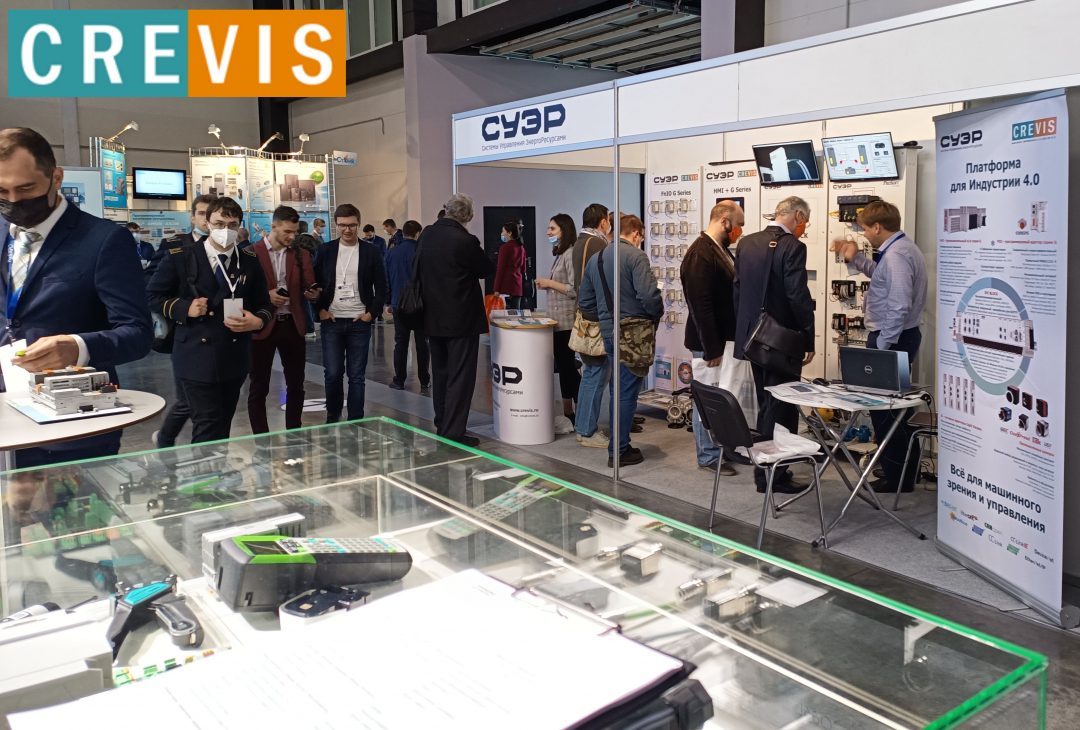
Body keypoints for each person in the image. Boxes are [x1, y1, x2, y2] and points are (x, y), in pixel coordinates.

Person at [0, 127, 153, 468]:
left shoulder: (103, 241)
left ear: (56, 178)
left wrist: (77, 346)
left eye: (25, 189)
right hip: (5, 420)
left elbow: (138, 334)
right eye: (1, 191)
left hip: (72, 426)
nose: (13, 201)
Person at [146, 196, 272, 443]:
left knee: (223, 423)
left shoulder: (249, 260)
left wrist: (257, 321)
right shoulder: (182, 256)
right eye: (219, 224)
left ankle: (217, 466)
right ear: (208, 223)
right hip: (195, 354)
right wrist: (185, 307)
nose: (226, 230)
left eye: (232, 225)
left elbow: (264, 303)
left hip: (234, 355)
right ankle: (203, 468)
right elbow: (152, 295)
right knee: (207, 424)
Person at [830, 200, 928, 493]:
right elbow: (882, 278)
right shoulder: (900, 250)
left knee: (886, 411)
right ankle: (901, 472)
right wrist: (857, 259)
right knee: (892, 410)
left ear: (877, 227)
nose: (863, 234)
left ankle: (897, 477)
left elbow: (898, 305)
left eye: (864, 229)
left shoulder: (897, 255)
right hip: (895, 337)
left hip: (892, 339)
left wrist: (882, 347)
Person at [733, 196, 816, 494]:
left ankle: (765, 471)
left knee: (766, 404)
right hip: (782, 342)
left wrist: (744, 333)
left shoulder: (747, 243)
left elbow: (738, 291)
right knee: (781, 407)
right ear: (797, 216)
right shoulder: (792, 246)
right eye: (805, 222)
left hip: (753, 340)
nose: (804, 228)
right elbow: (797, 296)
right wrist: (808, 337)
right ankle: (773, 475)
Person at [578, 215, 662, 467]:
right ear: (636, 233)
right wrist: (655, 314)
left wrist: (605, 319)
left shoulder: (596, 259)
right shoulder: (636, 257)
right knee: (625, 393)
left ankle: (619, 447)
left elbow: (585, 302)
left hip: (608, 332)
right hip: (634, 333)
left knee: (617, 390)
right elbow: (649, 296)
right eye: (641, 236)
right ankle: (619, 450)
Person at [416, 194, 494, 447]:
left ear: (446, 210)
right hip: (461, 319)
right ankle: (454, 431)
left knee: (440, 374)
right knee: (460, 377)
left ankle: (443, 423)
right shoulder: (465, 240)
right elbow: (485, 269)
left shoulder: (427, 234)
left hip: (431, 316)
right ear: (468, 215)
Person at [681, 200, 750, 477]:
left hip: (723, 341)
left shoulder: (719, 250)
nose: (740, 230)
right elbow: (700, 305)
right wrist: (711, 347)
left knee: (722, 400)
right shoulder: (700, 253)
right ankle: (708, 455)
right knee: (706, 401)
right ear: (724, 221)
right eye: (739, 224)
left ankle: (724, 448)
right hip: (709, 344)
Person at [247, 206, 319, 434]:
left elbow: (309, 283)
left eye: (295, 232)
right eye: (287, 231)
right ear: (273, 226)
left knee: (296, 384)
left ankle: (294, 432)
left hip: (292, 324)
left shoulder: (300, 254)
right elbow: (242, 291)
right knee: (259, 386)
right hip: (261, 325)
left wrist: (313, 293)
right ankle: (261, 437)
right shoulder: (251, 253)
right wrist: (266, 295)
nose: (292, 237)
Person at [150, 193, 214, 448]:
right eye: (202, 214)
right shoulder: (174, 246)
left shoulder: (231, 249)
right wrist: (184, 307)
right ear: (192, 216)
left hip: (218, 334)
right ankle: (165, 439)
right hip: (184, 333)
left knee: (213, 398)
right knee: (188, 399)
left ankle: (208, 452)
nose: (207, 220)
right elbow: (151, 287)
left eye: (211, 215)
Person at [314, 204, 387, 422]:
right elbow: (314, 283)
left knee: (357, 376)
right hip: (332, 321)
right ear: (336, 225)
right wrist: (319, 310)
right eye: (343, 225)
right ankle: (332, 416)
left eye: (352, 225)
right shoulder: (325, 250)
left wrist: (371, 314)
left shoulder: (371, 251)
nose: (347, 230)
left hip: (359, 322)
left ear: (358, 224)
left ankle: (355, 419)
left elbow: (382, 286)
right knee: (333, 373)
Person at [572, 203, 612, 449]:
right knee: (596, 374)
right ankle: (587, 430)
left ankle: (583, 427)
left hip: (586, 316)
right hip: (596, 319)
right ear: (602, 221)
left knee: (591, 374)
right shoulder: (596, 244)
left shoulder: (581, 242)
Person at [534, 213, 580, 424]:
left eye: (552, 228)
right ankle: (569, 411)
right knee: (564, 367)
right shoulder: (560, 255)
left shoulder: (570, 254)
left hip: (566, 322)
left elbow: (573, 289)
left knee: (567, 368)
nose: (548, 232)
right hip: (557, 322)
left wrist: (549, 283)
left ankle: (578, 409)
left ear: (564, 230)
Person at [385, 220, 430, 394]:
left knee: (400, 343)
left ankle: (399, 380)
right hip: (420, 305)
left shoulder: (392, 253)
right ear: (418, 233)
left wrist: (389, 302)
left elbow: (387, 279)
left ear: (403, 233)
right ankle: (424, 380)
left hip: (399, 304)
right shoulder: (422, 252)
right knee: (422, 344)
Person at [493, 220, 527, 310]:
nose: (502, 234)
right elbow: (523, 269)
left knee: (505, 316)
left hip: (505, 288)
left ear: (509, 233)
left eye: (503, 231)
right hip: (518, 287)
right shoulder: (521, 248)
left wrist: (496, 289)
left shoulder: (504, 248)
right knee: (515, 315)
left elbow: (500, 270)